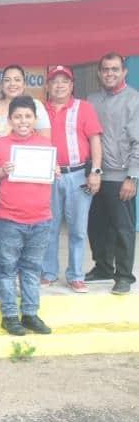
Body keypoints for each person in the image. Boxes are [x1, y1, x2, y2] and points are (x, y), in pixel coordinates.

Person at [0, 96, 54, 336]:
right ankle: (10, 315)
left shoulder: (46, 146)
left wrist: (55, 170)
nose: (23, 121)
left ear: (35, 118)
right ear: (9, 119)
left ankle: (31, 314)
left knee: (33, 269)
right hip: (9, 219)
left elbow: (53, 175)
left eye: (27, 116)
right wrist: (1, 172)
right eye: (17, 116)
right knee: (6, 269)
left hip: (41, 219)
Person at [0, 64, 51, 270]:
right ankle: (1, 271)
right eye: (7, 80)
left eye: (17, 79)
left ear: (24, 82)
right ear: (1, 84)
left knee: (23, 228)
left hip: (26, 179)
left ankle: (24, 272)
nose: (12, 84)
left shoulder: (35, 105)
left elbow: (46, 143)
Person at [42, 65, 103, 293]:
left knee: (78, 228)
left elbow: (95, 140)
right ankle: (48, 272)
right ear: (47, 86)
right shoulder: (40, 110)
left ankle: (76, 275)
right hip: (49, 176)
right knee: (49, 226)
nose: (59, 85)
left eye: (64, 81)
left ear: (71, 85)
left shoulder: (83, 108)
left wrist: (96, 172)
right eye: (54, 81)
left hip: (78, 175)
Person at [87, 52, 139, 295]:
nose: (110, 73)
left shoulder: (133, 100)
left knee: (122, 228)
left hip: (120, 176)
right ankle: (104, 268)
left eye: (115, 69)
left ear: (124, 72)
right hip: (96, 175)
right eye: (106, 69)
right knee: (97, 227)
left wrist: (132, 176)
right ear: (99, 73)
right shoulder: (92, 99)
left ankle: (125, 275)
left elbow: (138, 142)